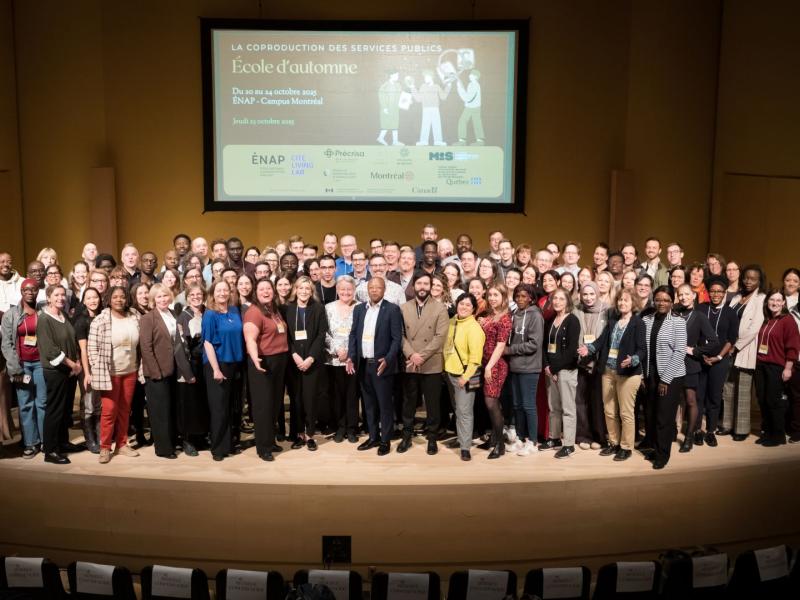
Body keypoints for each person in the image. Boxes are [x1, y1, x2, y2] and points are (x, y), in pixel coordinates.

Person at [578, 289, 645, 461]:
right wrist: (589, 348)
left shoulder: (638, 323)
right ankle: (614, 443)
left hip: (628, 373)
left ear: (633, 303)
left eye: (626, 300)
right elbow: (601, 341)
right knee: (609, 411)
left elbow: (642, 349)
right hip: (608, 371)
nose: (622, 303)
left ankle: (626, 447)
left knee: (626, 413)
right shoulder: (613, 321)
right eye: (620, 300)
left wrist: (634, 359)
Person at [347, 277, 402, 455]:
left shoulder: (392, 309)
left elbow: (396, 339)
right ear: (367, 289)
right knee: (369, 405)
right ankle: (373, 437)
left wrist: (388, 359)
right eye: (371, 287)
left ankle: (385, 440)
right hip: (363, 364)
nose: (374, 290)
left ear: (384, 289)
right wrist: (351, 357)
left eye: (378, 287)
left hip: (381, 365)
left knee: (384, 405)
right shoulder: (359, 309)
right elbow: (353, 335)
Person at [88, 286, 142, 464]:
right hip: (109, 373)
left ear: (127, 299)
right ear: (109, 299)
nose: (119, 300)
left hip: (130, 370)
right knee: (109, 411)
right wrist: (97, 367)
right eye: (115, 297)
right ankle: (105, 447)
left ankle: (122, 443)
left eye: (122, 297)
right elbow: (92, 349)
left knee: (125, 410)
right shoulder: (100, 320)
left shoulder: (134, 316)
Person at [140, 283, 193, 459]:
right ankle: (163, 449)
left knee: (172, 409)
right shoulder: (148, 318)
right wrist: (156, 372)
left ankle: (173, 441)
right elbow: (146, 348)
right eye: (159, 297)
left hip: (174, 370)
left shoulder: (174, 314)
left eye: (165, 296)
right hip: (157, 372)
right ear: (153, 300)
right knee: (160, 412)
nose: (163, 299)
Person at [400, 273, 449, 454]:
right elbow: (401, 335)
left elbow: (440, 337)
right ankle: (406, 435)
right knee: (409, 402)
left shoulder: (440, 308)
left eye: (426, 284)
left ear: (430, 286)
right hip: (410, 362)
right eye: (419, 283)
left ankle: (432, 438)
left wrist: (422, 355)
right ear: (413, 286)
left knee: (432, 403)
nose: (422, 287)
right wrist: (412, 354)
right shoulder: (404, 307)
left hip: (431, 363)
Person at [640, 287, 687, 470]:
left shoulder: (678, 322)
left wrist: (665, 380)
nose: (662, 303)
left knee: (664, 417)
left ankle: (663, 454)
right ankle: (654, 447)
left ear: (672, 302)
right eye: (658, 299)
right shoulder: (647, 319)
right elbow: (643, 349)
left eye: (666, 300)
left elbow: (679, 352)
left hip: (671, 376)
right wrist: (643, 375)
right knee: (650, 414)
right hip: (650, 373)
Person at [243, 278, 290, 461]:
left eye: (268, 288)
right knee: (263, 406)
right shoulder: (253, 312)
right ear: (256, 292)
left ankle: (270, 441)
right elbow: (250, 339)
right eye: (261, 289)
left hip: (280, 360)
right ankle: (263, 447)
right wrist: (255, 358)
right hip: (263, 362)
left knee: (274, 403)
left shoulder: (273, 309)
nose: (265, 291)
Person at [37, 284, 83, 464]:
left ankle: (63, 442)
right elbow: (50, 349)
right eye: (56, 295)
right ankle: (50, 450)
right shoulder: (44, 319)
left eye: (63, 295)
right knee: (54, 411)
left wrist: (76, 362)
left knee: (65, 411)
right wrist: (72, 364)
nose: (61, 298)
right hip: (56, 371)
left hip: (69, 370)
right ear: (48, 297)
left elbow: (71, 341)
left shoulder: (63, 315)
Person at [1, 278, 46, 457]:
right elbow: (6, 344)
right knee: (25, 404)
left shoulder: (43, 312)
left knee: (42, 403)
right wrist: (15, 368)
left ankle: (44, 441)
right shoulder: (10, 315)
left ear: (37, 291)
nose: (30, 292)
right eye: (26, 289)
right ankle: (30, 443)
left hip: (41, 364)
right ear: (21, 291)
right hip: (22, 366)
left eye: (33, 289)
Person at [721, 265, 766, 441]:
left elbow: (754, 327)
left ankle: (741, 429)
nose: (748, 281)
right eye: (746, 277)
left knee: (743, 390)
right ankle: (727, 424)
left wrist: (736, 346)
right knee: (728, 388)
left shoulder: (761, 298)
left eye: (753, 278)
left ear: (760, 280)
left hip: (744, 349)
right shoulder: (738, 296)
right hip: (728, 347)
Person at [673, 283, 719, 453]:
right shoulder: (673, 313)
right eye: (680, 294)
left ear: (693, 296)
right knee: (672, 400)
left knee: (691, 400)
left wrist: (695, 350)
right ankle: (671, 431)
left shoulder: (699, 316)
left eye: (687, 294)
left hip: (689, 364)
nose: (683, 297)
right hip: (671, 362)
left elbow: (714, 341)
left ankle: (689, 437)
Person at [284, 276, 328, 451]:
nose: (304, 291)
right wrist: (294, 354)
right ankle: (298, 434)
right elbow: (286, 336)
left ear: (311, 292)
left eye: (307, 289)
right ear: (295, 290)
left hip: (312, 362)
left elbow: (321, 335)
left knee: (310, 399)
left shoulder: (318, 309)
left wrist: (310, 358)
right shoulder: (288, 309)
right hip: (293, 362)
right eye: (301, 288)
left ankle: (310, 435)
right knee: (296, 400)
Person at [202, 280, 244, 461]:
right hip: (217, 364)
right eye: (218, 290)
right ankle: (218, 448)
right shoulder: (210, 314)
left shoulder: (234, 311)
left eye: (225, 290)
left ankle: (229, 444)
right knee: (219, 409)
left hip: (235, 364)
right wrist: (216, 369)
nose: (222, 293)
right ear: (213, 293)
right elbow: (207, 342)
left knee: (231, 408)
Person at [697, 277, 739, 447]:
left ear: (724, 293)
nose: (715, 294)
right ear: (708, 292)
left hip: (720, 360)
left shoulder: (730, 313)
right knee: (699, 396)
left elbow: (731, 338)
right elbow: (694, 334)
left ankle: (710, 431)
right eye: (712, 291)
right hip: (700, 359)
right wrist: (701, 355)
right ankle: (697, 430)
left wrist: (719, 357)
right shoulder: (700, 308)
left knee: (714, 397)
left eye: (719, 291)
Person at [443, 293, 485, 461]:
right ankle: (461, 439)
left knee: (465, 412)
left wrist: (465, 377)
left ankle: (465, 447)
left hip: (467, 375)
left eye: (468, 305)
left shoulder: (474, 328)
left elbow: (476, 360)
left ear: (474, 309)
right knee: (457, 409)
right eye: (462, 303)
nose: (464, 307)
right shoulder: (452, 321)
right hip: (450, 372)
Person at [754, 290, 800, 446]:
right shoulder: (766, 319)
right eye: (771, 299)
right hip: (761, 365)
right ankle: (767, 431)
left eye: (778, 300)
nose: (774, 302)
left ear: (783, 303)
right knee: (762, 400)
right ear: (767, 302)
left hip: (777, 366)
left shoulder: (788, 320)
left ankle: (778, 435)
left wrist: (788, 368)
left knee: (773, 401)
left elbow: (793, 348)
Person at [504, 283, 544, 455]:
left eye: (524, 296)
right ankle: (520, 439)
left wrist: (510, 350)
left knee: (528, 405)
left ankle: (533, 442)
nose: (520, 299)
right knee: (517, 405)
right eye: (517, 296)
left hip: (529, 367)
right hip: (514, 366)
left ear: (531, 298)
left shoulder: (535, 315)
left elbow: (534, 344)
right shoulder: (513, 314)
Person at [541, 288, 581, 458]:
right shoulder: (550, 320)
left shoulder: (572, 320)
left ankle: (569, 444)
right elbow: (544, 347)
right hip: (551, 371)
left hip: (566, 370)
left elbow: (572, 350)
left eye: (561, 298)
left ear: (567, 301)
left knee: (568, 408)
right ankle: (554, 438)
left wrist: (555, 369)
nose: (557, 302)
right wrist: (547, 367)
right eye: (554, 299)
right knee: (553, 408)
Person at [572, 282, 609, 450]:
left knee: (596, 402)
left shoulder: (607, 311)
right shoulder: (576, 310)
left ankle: (599, 437)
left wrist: (592, 352)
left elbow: (607, 338)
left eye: (592, 294)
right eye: (585, 294)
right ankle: (583, 436)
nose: (588, 298)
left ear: (597, 294)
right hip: (579, 362)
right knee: (579, 401)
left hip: (599, 363)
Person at [477, 284, 512, 459]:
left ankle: (500, 445)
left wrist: (490, 366)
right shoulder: (490, 315)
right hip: (485, 363)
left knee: (491, 403)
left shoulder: (504, 318)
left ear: (504, 297)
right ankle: (494, 438)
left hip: (496, 365)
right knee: (491, 404)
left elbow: (500, 345)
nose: (492, 298)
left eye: (496, 295)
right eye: (490, 294)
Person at [324, 276, 360, 443]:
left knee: (352, 395)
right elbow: (324, 332)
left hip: (353, 360)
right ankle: (340, 427)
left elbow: (363, 333)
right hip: (334, 359)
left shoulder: (360, 307)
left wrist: (350, 353)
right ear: (337, 290)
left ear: (354, 291)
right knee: (337, 395)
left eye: (349, 289)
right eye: (342, 289)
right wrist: (337, 350)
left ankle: (352, 428)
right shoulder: (328, 308)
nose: (346, 292)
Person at [175, 283, 210, 456]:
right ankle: (187, 439)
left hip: (206, 365)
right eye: (192, 295)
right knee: (189, 403)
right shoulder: (183, 317)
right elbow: (180, 347)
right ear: (187, 298)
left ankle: (201, 436)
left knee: (202, 403)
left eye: (199, 294)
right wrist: (187, 373)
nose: (196, 297)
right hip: (191, 365)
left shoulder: (208, 313)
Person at [74, 287, 103, 454]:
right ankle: (90, 439)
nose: (93, 300)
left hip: (102, 365)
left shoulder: (103, 317)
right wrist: (87, 373)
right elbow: (83, 350)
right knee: (89, 404)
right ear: (84, 301)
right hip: (88, 367)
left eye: (95, 297)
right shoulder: (81, 321)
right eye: (89, 298)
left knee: (99, 404)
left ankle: (100, 436)